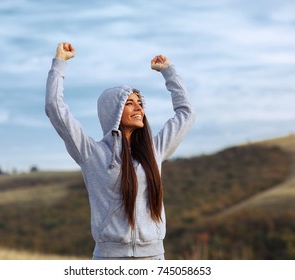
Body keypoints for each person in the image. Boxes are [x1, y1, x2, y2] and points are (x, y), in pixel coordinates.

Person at [45, 42, 195, 260]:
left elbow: (186, 114)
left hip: (154, 259)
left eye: (140, 103)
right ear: (113, 111)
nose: (139, 108)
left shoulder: (154, 150)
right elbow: (55, 109)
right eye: (129, 103)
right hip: (110, 260)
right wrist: (59, 64)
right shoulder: (91, 154)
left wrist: (169, 73)